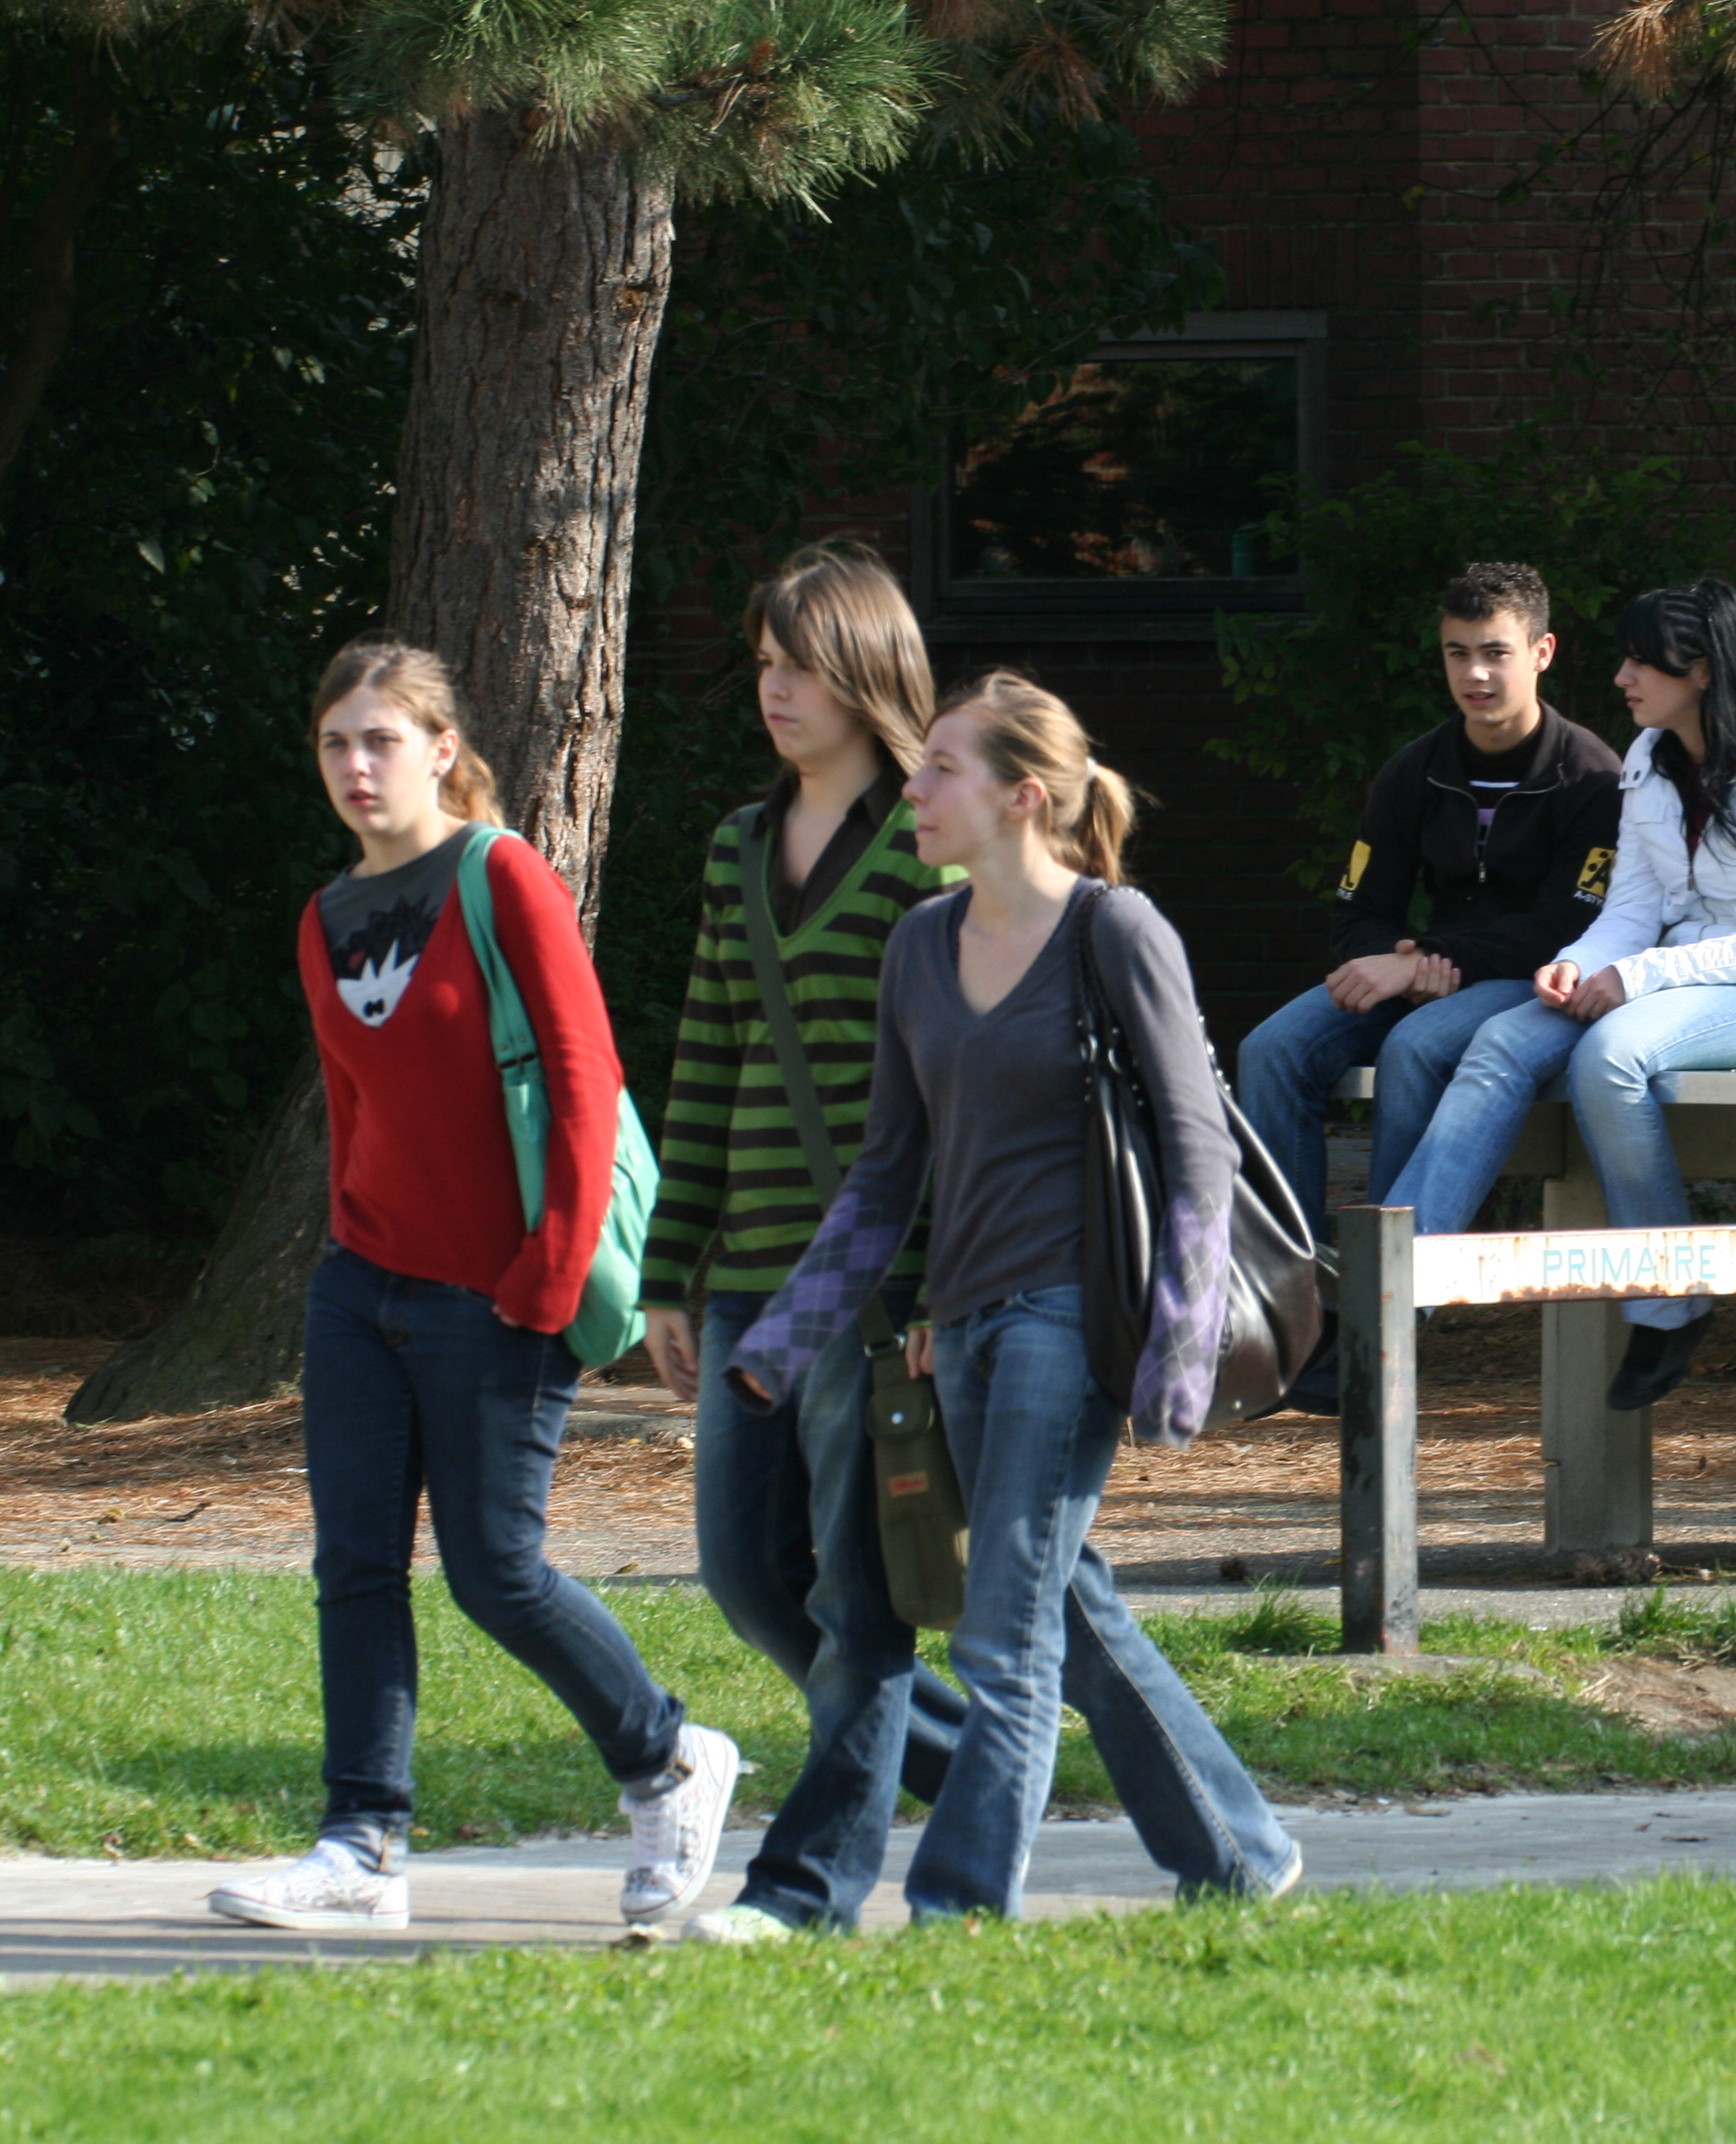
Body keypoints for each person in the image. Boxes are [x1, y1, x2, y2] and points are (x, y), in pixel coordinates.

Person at [718, 672, 1300, 1928]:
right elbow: (887, 1173)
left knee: (1003, 1635)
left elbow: (1197, 1144)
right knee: (1062, 1605)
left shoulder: (1115, 930)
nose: (913, 791)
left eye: (942, 769)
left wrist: (1180, 1347)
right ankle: (1239, 1853)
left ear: (1023, 796)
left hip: (1069, 1319)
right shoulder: (919, 946)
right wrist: (783, 1339)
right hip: (963, 1324)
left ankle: (958, 1909)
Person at [208, 643, 738, 1935]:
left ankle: (669, 1759)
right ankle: (360, 1844)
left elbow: (584, 1074)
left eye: (381, 740)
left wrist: (548, 1273)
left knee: (496, 1572)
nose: (357, 766)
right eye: (336, 744)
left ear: (441, 749)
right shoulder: (325, 918)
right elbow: (353, 1105)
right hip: (360, 1288)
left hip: (499, 1293)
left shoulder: (502, 877)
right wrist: (343, 1249)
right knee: (355, 1566)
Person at [634, 543, 975, 1939]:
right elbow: (708, 1054)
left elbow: (957, 1082)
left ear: (866, 672)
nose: (774, 690)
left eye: (802, 667)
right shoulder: (737, 844)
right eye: (766, 664)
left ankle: (809, 1887)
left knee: (857, 1598)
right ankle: (982, 1771)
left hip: (865, 1277)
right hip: (748, 1280)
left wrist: (929, 1283)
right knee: (744, 1572)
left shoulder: (927, 841)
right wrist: (667, 1268)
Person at [1382, 577, 1736, 1412]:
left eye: (1643, 661)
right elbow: (1632, 911)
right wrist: (1576, 962)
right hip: (1673, 982)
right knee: (1501, 1041)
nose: (1622, 677)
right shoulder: (1649, 757)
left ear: (1702, 669)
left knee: (1610, 1055)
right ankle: (1392, 1291)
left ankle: (1670, 1301)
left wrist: (1631, 978)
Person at [1235, 561, 1623, 1409]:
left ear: (1542, 652)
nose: (1475, 675)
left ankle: (1379, 1314)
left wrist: (1429, 961)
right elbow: (1359, 908)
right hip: (1423, 971)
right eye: (1457, 654)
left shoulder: (1593, 778)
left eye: (1495, 653)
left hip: (1523, 982)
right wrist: (1401, 961)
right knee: (1270, 1049)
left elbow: (1567, 925)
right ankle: (1292, 1309)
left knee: (1415, 1047)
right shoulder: (1415, 770)